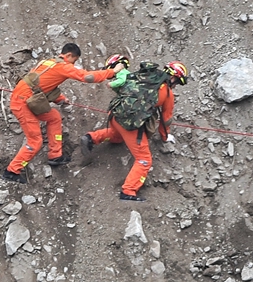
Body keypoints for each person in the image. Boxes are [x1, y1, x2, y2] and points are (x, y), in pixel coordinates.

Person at [4, 44, 120, 183]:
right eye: (74, 60)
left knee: (54, 117)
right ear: (69, 55)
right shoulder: (63, 66)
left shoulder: (48, 62)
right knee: (35, 141)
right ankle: (12, 171)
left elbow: (42, 85)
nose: (74, 64)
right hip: (23, 104)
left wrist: (61, 99)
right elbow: (87, 77)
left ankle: (55, 155)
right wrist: (113, 72)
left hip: (25, 99)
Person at [81, 60, 188, 201]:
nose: (176, 85)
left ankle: (91, 138)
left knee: (118, 136)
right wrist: (164, 136)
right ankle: (129, 191)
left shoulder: (143, 76)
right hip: (130, 125)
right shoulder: (167, 92)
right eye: (177, 82)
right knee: (144, 159)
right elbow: (165, 119)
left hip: (115, 115)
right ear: (173, 77)